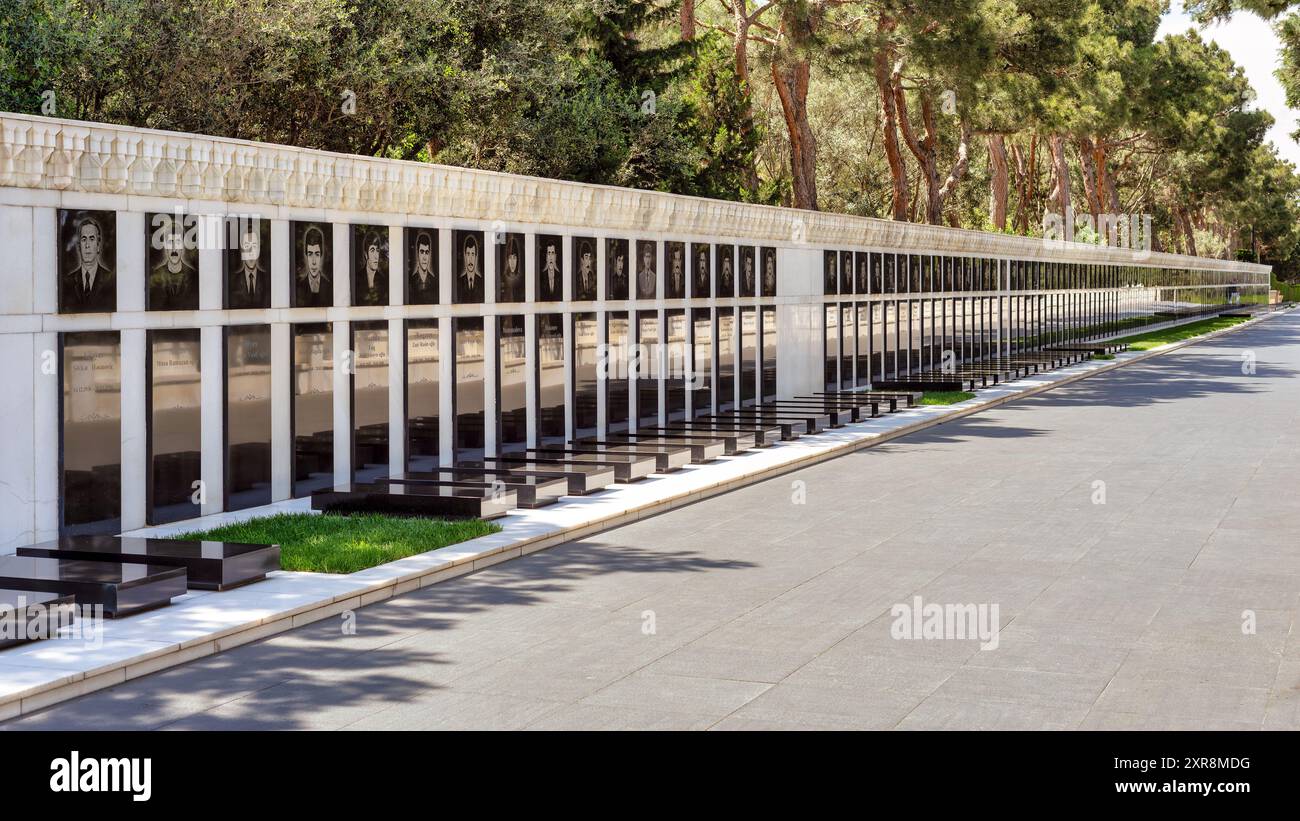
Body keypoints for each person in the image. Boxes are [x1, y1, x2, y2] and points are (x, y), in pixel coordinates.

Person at [62, 214, 115, 312]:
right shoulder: (68, 282)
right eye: (83, 239)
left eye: (91, 239)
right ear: (79, 247)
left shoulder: (110, 281)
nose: (87, 245)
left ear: (98, 245)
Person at [149, 223, 197, 310]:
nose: (174, 249)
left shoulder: (193, 275)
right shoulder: (155, 276)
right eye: (170, 242)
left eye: (178, 242)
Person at [228, 223, 267, 309]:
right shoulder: (232, 280)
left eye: (254, 245)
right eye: (247, 246)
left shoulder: (267, 279)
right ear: (242, 248)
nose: (251, 251)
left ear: (259, 249)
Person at [296, 225, 330, 305]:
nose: (314, 262)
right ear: (306, 256)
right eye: (310, 254)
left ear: (322, 256)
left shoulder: (329, 286)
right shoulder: (299, 286)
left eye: (317, 254)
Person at [355, 230, 385, 305]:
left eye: (377, 251)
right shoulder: (357, 278)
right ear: (366, 254)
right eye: (372, 250)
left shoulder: (383, 280)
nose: (376, 256)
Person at [409, 230, 436, 303]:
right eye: (422, 252)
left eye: (427, 252)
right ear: (417, 253)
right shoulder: (411, 279)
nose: (424, 257)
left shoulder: (434, 280)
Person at [459, 233, 482, 300]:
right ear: (464, 256)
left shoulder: (481, 282)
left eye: (473, 254)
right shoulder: (460, 282)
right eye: (468, 254)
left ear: (476, 256)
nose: (470, 259)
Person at [499, 236, 522, 302]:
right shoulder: (503, 278)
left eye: (514, 258)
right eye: (510, 258)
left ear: (518, 259)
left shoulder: (520, 280)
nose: (512, 262)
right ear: (507, 259)